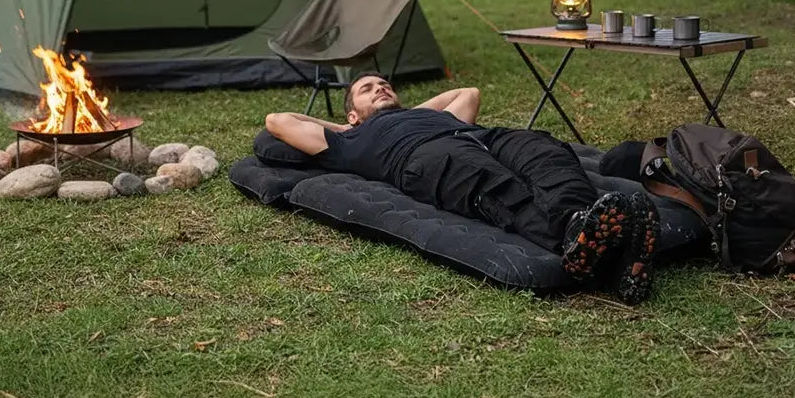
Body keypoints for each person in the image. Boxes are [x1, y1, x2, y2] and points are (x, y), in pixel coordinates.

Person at [265, 73, 659, 303]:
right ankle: (579, 245)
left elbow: (467, 94)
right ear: (351, 114)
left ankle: (584, 224)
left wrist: (413, 111)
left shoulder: (426, 114)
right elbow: (277, 120)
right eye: (368, 89)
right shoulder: (345, 142)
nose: (381, 88)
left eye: (385, 84)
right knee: (496, 187)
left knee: (546, 153)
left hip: (483, 136)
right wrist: (350, 127)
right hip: (427, 158)